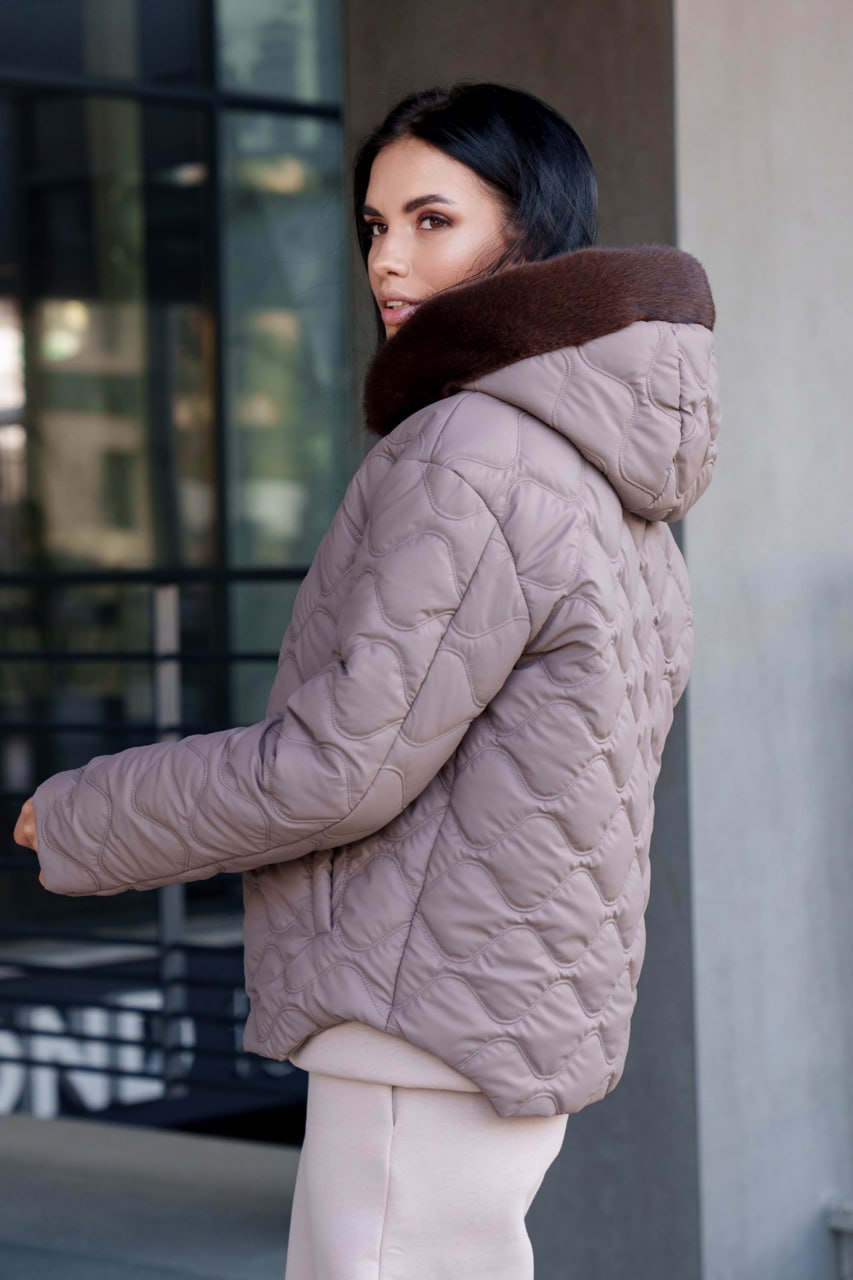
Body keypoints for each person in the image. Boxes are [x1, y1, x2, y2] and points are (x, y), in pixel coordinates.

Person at [14, 82, 720, 1279]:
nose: (389, 260)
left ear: (529, 231)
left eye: (432, 220)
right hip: (494, 995)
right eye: (374, 225)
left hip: (422, 1009)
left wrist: (82, 813)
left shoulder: (473, 449)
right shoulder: (602, 467)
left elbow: (338, 766)